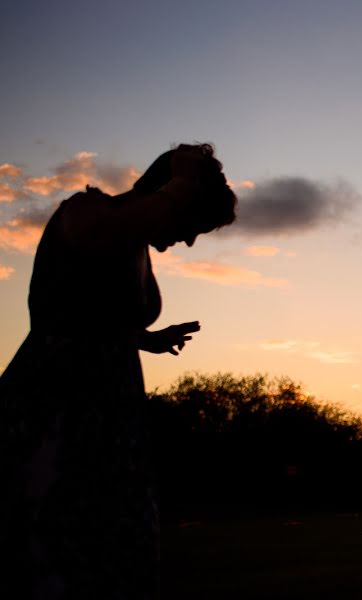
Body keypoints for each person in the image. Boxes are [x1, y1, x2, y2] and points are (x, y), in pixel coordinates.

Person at [0, 143, 237, 599]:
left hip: (110, 412)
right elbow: (75, 294)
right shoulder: (88, 210)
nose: (189, 239)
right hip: (57, 403)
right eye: (194, 222)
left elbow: (89, 315)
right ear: (171, 192)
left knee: (113, 552)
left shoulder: (136, 246)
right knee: (55, 543)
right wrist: (184, 182)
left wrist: (145, 338)